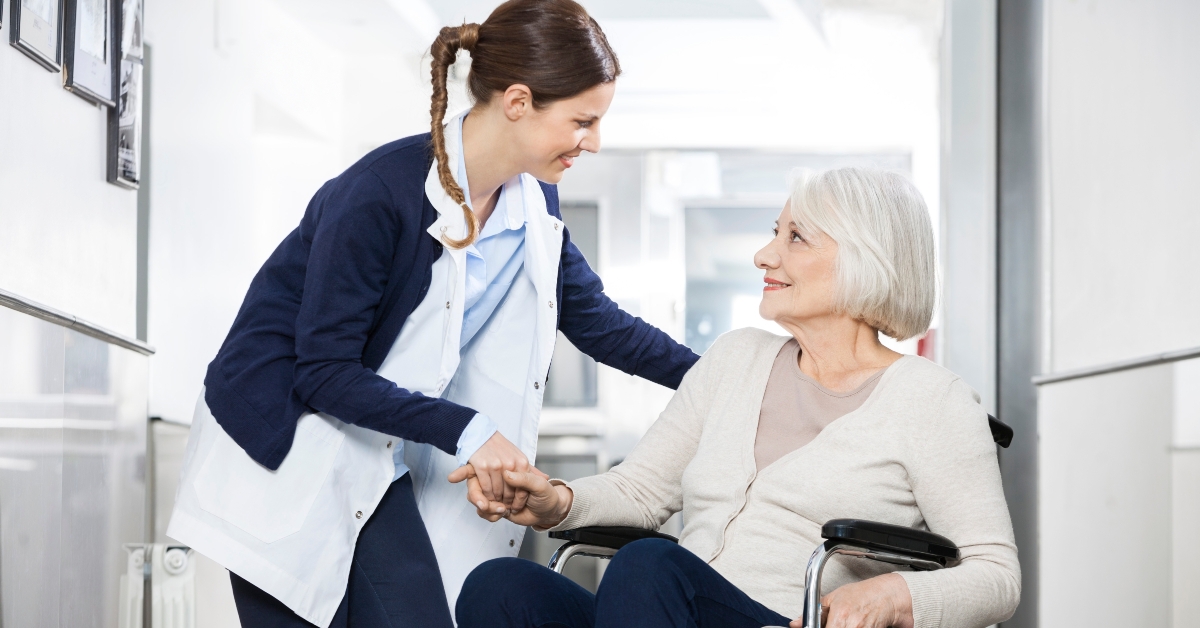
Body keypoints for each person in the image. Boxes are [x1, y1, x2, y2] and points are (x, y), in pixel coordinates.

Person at [165, 1, 699, 627]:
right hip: (285, 448)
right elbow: (323, 372)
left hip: (372, 451)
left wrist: (733, 378)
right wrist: (469, 430)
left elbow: (600, 324)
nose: (595, 142)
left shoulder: (531, 201)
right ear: (519, 101)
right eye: (583, 121)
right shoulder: (380, 193)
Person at [456, 167, 1021, 628]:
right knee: (501, 587)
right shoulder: (736, 359)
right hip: (665, 611)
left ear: (864, 259)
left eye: (794, 238)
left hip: (778, 618)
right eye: (775, 232)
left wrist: (895, 596)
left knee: (649, 566)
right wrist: (556, 501)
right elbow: (642, 488)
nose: (764, 256)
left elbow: (996, 576)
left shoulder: (933, 400)